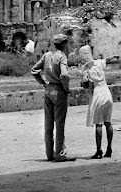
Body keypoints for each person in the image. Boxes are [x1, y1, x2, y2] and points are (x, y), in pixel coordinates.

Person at [30, 33, 76, 162]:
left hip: (48, 90)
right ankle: (60, 154)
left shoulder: (47, 55)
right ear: (63, 44)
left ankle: (49, 153)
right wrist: (66, 89)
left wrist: (43, 83)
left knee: (48, 124)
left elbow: (34, 70)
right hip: (59, 91)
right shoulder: (62, 57)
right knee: (59, 124)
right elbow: (64, 75)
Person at [77, 45, 117, 159]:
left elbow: (86, 86)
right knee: (108, 122)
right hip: (107, 93)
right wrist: (113, 56)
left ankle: (98, 150)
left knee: (98, 124)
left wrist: (81, 76)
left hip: (98, 95)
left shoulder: (86, 70)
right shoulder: (98, 63)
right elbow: (106, 60)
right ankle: (109, 148)